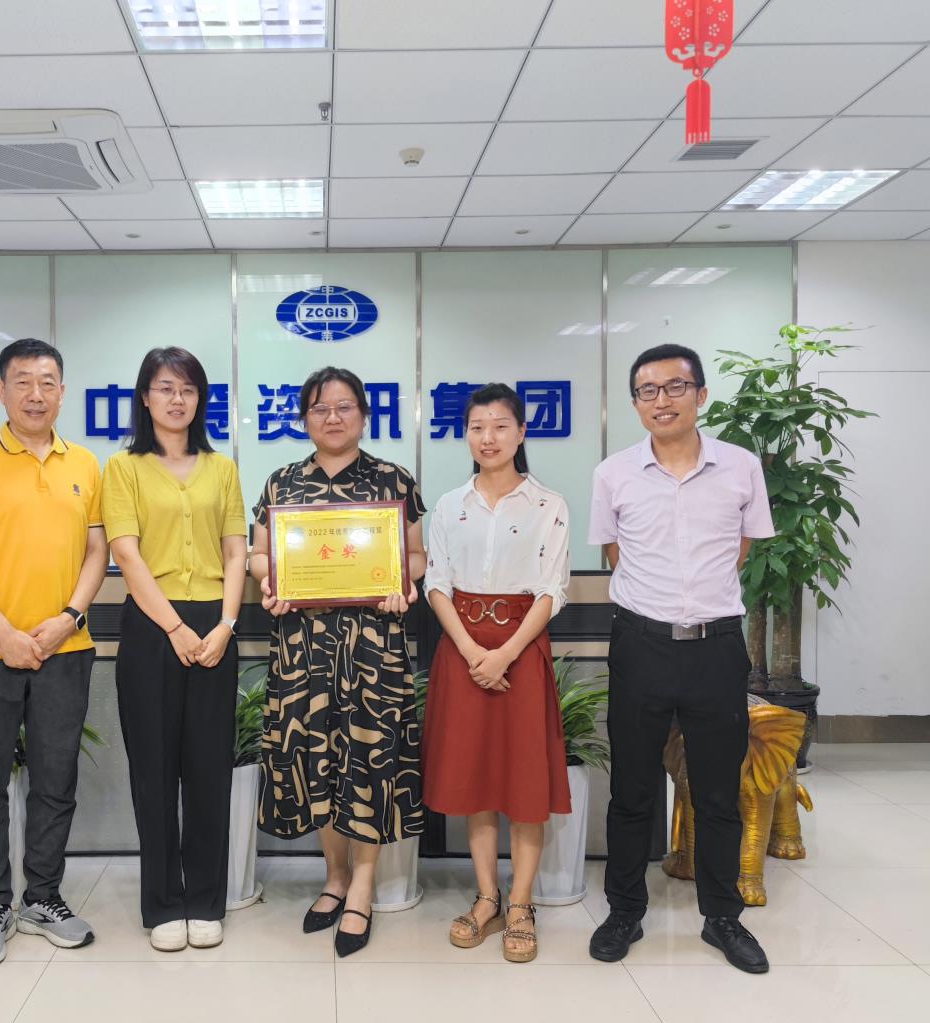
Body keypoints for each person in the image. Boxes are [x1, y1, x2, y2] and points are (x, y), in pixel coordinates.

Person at [588, 343, 775, 974]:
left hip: (717, 647)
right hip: (640, 644)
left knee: (718, 790)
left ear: (701, 395)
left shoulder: (741, 467)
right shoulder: (613, 473)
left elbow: (741, 549)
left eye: (675, 387)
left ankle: (722, 917)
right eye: (648, 390)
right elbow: (616, 553)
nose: (661, 400)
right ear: (635, 402)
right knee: (632, 789)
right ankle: (624, 911)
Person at [0, 337, 107, 968]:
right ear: (1, 391)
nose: (36, 394)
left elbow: (98, 551)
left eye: (47, 382)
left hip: (66, 649)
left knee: (55, 781)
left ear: (62, 391)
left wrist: (68, 618)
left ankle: (42, 898)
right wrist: (5, 634)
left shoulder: (84, 464)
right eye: (23, 382)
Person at [248, 367, 426, 957]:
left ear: (364, 415)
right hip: (303, 648)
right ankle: (335, 877)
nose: (333, 417)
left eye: (345, 406)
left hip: (374, 645)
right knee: (316, 759)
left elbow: (417, 554)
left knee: (370, 759)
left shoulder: (392, 479)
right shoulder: (281, 483)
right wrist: (270, 580)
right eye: (320, 408)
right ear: (305, 418)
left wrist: (403, 581)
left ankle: (363, 887)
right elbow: (258, 554)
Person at [103, 347, 246, 952]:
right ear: (145, 397)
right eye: (165, 387)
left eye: (188, 389)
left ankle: (206, 901)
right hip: (151, 627)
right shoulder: (123, 468)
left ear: (200, 399)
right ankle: (163, 904)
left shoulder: (222, 468)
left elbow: (236, 550)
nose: (177, 399)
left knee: (209, 769)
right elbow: (126, 553)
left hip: (215, 626)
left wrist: (227, 624)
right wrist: (174, 627)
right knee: (154, 771)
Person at [422, 383, 571, 962]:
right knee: (476, 780)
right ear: (466, 434)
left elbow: (552, 589)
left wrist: (504, 654)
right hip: (462, 649)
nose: (488, 437)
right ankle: (487, 897)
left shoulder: (548, 504)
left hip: (521, 649)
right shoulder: (449, 504)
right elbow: (436, 582)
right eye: (477, 427)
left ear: (521, 432)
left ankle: (522, 904)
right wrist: (468, 649)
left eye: (500, 426)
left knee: (524, 781)